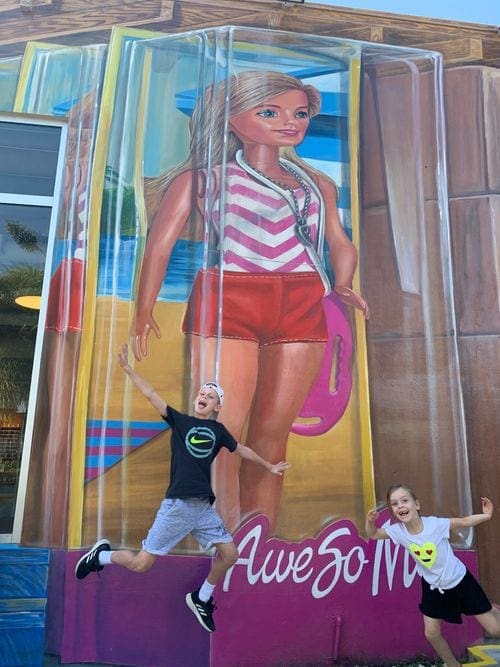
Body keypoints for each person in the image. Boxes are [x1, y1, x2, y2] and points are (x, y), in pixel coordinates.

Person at [133, 70, 368, 532]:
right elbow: (158, 247)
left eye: (299, 113)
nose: (290, 122)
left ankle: (258, 537)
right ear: (233, 121)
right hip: (229, 298)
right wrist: (143, 309)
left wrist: (342, 283)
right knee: (224, 431)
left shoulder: (316, 185)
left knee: (273, 436)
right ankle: (221, 535)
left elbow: (338, 239)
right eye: (270, 112)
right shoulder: (203, 181)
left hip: (300, 298)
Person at [75, 343, 290, 633]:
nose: (203, 396)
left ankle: (201, 598)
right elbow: (152, 395)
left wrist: (269, 465)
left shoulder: (219, 431)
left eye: (210, 395)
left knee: (230, 555)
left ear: (217, 407)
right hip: (177, 506)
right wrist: (129, 370)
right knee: (141, 564)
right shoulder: (180, 421)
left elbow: (242, 450)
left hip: (202, 509)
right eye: (202, 393)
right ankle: (99, 556)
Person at [366, 484, 500, 667]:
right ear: (393, 512)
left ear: (417, 505)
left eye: (405, 501)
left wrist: (487, 515)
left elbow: (464, 521)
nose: (400, 506)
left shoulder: (436, 525)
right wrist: (370, 522)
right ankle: (453, 664)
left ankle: (492, 610)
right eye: (395, 504)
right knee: (431, 633)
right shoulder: (398, 531)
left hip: (460, 581)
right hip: (433, 587)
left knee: (495, 630)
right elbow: (374, 535)